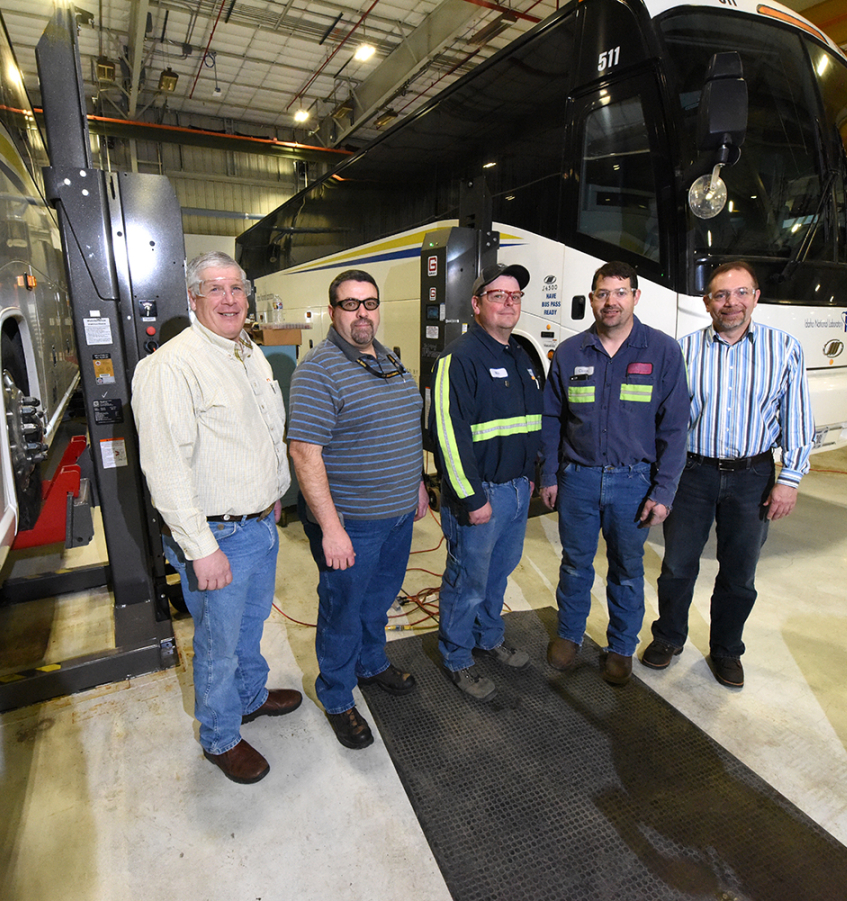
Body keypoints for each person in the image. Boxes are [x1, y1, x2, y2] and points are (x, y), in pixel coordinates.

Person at [131, 251, 298, 784]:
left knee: (249, 629)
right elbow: (166, 469)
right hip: (218, 533)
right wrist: (201, 548)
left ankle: (249, 697)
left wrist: (272, 493)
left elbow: (262, 435)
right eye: (215, 289)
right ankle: (221, 736)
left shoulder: (247, 353)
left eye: (237, 288)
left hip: (259, 525)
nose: (229, 299)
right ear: (193, 298)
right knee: (217, 645)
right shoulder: (170, 366)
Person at [643, 261, 813, 688]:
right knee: (678, 566)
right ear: (707, 302)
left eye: (740, 293)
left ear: (756, 297)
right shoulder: (682, 350)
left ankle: (726, 650)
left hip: (753, 476)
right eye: (720, 295)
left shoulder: (785, 348)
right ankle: (669, 637)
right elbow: (665, 419)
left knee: (739, 573)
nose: (730, 303)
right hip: (693, 475)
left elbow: (796, 417)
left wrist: (789, 479)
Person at [288, 270, 428, 750]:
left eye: (369, 303)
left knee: (378, 601)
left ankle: (371, 665)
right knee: (343, 612)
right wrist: (330, 528)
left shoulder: (387, 359)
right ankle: (337, 695)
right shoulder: (318, 371)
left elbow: (404, 428)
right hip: (352, 525)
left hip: (395, 516)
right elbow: (305, 454)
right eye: (350, 305)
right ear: (332, 312)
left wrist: (417, 486)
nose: (362, 313)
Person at [540, 261, 688, 686]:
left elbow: (675, 426)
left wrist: (664, 489)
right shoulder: (570, 353)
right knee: (574, 565)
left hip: (633, 482)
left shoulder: (661, 351)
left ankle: (621, 645)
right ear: (591, 299)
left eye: (621, 292)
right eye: (603, 293)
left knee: (627, 567)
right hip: (578, 480)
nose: (611, 301)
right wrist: (549, 474)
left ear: (636, 297)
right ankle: (569, 635)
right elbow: (552, 418)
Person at [430, 262, 543, 701]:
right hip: (480, 497)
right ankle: (458, 656)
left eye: (515, 296)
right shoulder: (459, 358)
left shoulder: (520, 354)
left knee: (498, 575)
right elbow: (448, 433)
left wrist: (530, 478)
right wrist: (472, 497)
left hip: (516, 491)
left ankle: (488, 637)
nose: (509, 302)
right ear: (477, 304)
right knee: (467, 580)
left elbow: (530, 424)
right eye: (498, 295)